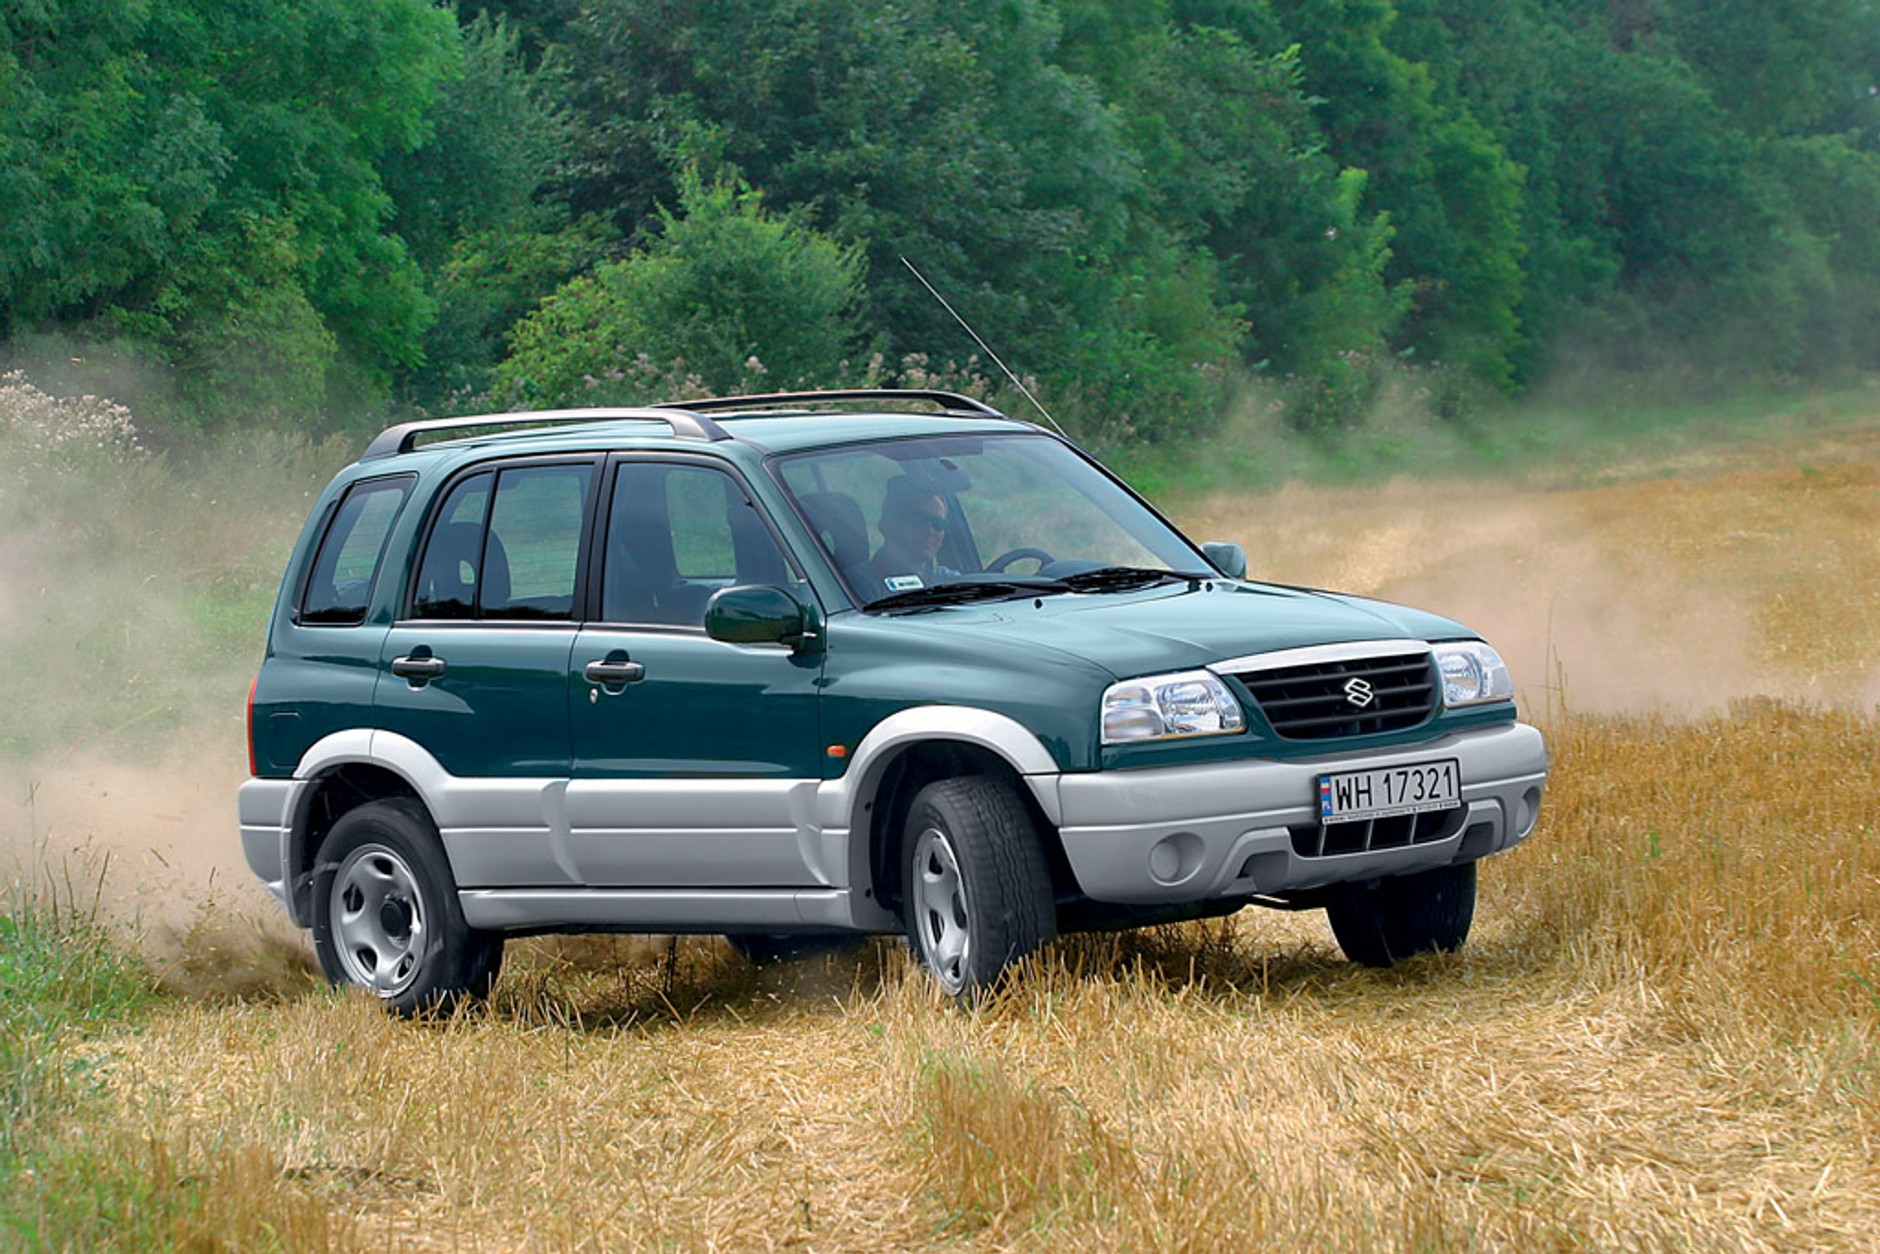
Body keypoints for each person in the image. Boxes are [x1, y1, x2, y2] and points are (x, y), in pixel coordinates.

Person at [870, 476, 956, 586]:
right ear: (887, 524)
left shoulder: (951, 583)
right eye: (918, 520)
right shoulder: (856, 589)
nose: (930, 531)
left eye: (938, 523)